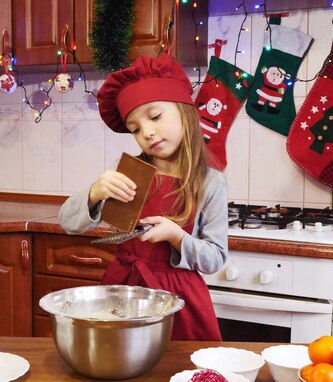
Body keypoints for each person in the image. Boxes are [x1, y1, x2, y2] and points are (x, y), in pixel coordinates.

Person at [59, 54, 228, 341]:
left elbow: (214, 260)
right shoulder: (128, 172)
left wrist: (177, 237)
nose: (147, 132)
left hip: (180, 301)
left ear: (184, 110)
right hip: (125, 292)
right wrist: (95, 191)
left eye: (155, 116)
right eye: (135, 129)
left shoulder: (210, 182)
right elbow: (68, 223)